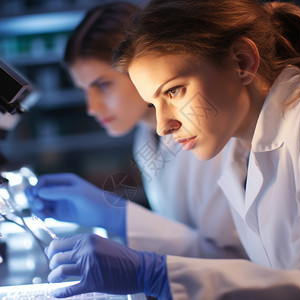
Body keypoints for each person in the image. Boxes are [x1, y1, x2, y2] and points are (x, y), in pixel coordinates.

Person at [42, 0, 300, 299]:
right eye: (152, 102)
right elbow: (267, 278)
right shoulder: (238, 152)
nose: (163, 126)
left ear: (242, 60)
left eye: (174, 91)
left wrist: (157, 274)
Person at [26, 0, 247, 292]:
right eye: (84, 91)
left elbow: (233, 263)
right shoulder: (147, 137)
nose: (91, 107)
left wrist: (121, 218)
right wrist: (117, 217)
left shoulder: (207, 135)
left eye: (102, 85)